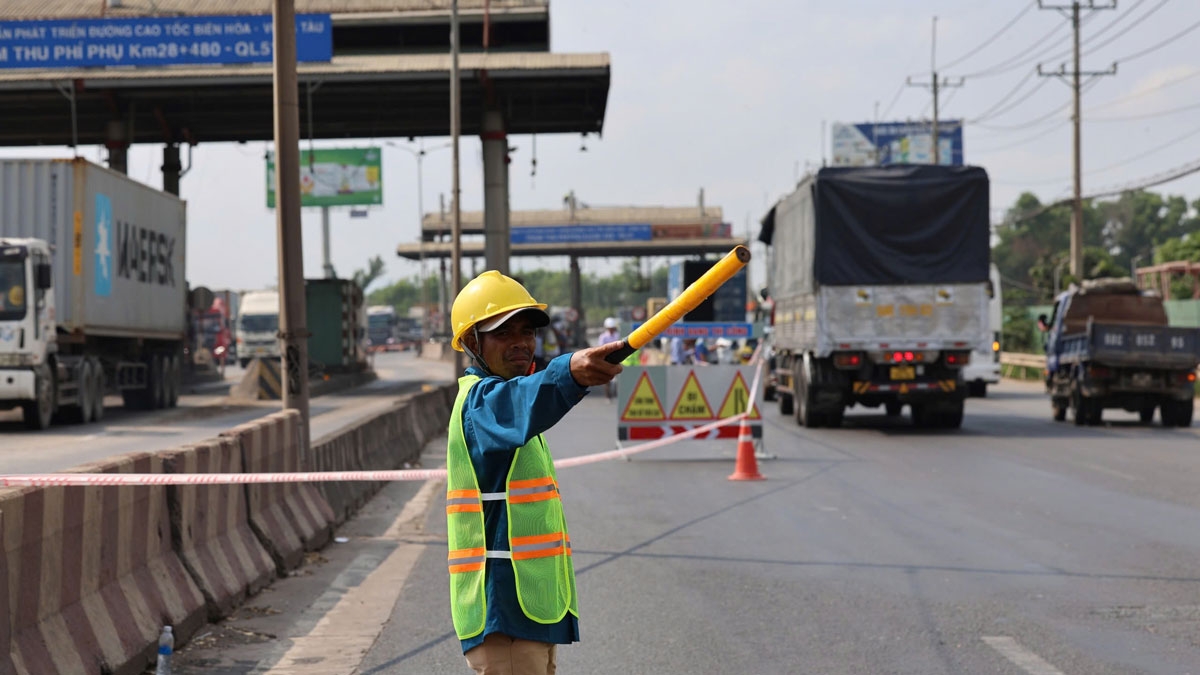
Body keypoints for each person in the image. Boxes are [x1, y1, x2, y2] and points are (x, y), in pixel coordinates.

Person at [446, 270, 624, 675]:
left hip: (529, 613)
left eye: (526, 331)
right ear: (472, 341)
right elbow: (525, 400)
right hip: (504, 613)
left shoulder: (501, 398)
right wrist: (570, 372)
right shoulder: (481, 405)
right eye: (503, 333)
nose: (521, 343)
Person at [597, 317, 622, 401]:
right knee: (606, 378)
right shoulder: (603, 337)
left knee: (617, 377)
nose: (611, 330)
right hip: (606, 359)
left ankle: (616, 394)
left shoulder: (618, 335)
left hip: (617, 358)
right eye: (609, 328)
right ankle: (608, 396)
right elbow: (601, 348)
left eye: (612, 328)